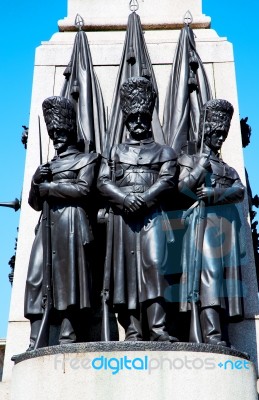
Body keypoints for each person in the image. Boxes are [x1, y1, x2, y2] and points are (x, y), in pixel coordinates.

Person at [98, 77, 178, 341]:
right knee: (126, 273)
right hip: (123, 219)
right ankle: (132, 330)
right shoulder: (115, 151)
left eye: (143, 117)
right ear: (126, 120)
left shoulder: (165, 152)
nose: (138, 122)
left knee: (156, 267)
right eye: (133, 118)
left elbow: (168, 181)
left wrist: (143, 199)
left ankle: (158, 329)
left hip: (153, 216)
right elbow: (103, 181)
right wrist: (123, 198)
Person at [24, 96, 99, 349]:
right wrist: (36, 181)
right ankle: (36, 339)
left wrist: (50, 187)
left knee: (68, 280)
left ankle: (68, 335)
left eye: (60, 131)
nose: (56, 136)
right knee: (36, 279)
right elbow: (34, 203)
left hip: (71, 224)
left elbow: (84, 189)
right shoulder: (47, 166)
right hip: (46, 226)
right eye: (53, 132)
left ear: (70, 131)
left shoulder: (87, 160)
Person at [177, 99, 245, 346]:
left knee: (225, 281)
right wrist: (199, 169)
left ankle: (220, 333)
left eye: (222, 134)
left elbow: (240, 191)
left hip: (226, 227)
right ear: (206, 132)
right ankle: (211, 334)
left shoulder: (228, 169)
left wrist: (215, 194)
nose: (219, 138)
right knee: (210, 277)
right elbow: (181, 189)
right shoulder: (189, 160)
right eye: (215, 133)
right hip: (202, 225)